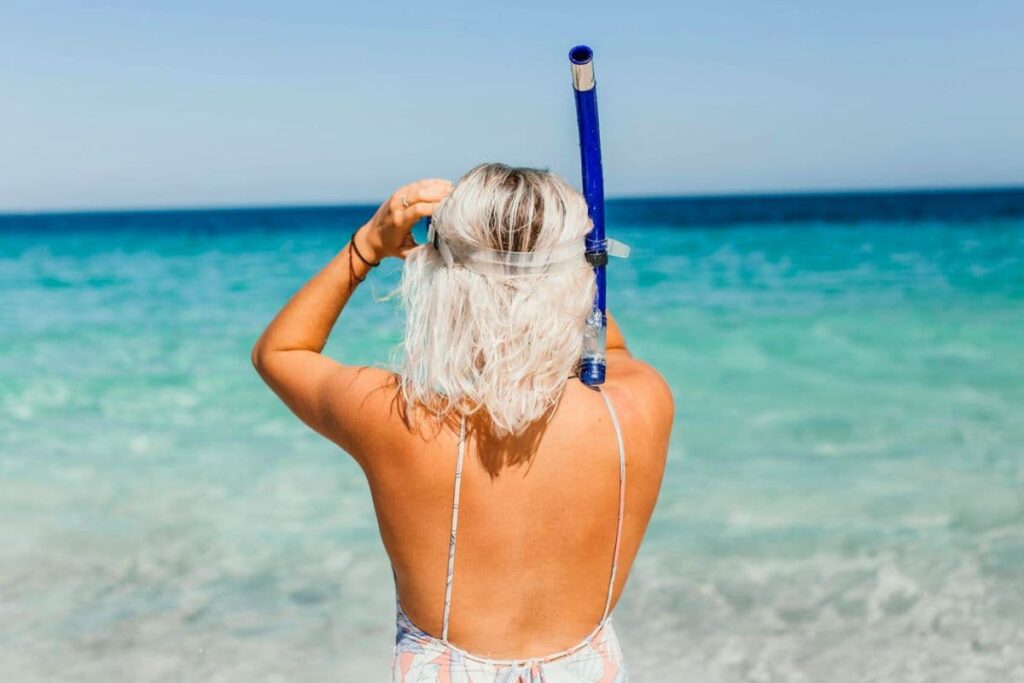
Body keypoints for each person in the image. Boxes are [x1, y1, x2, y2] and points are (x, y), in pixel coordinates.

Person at [252, 163, 673, 681]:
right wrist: (566, 265)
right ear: (575, 278)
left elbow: (281, 350)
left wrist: (367, 246)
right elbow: (605, 341)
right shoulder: (638, 403)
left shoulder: (405, 420)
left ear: (442, 286)